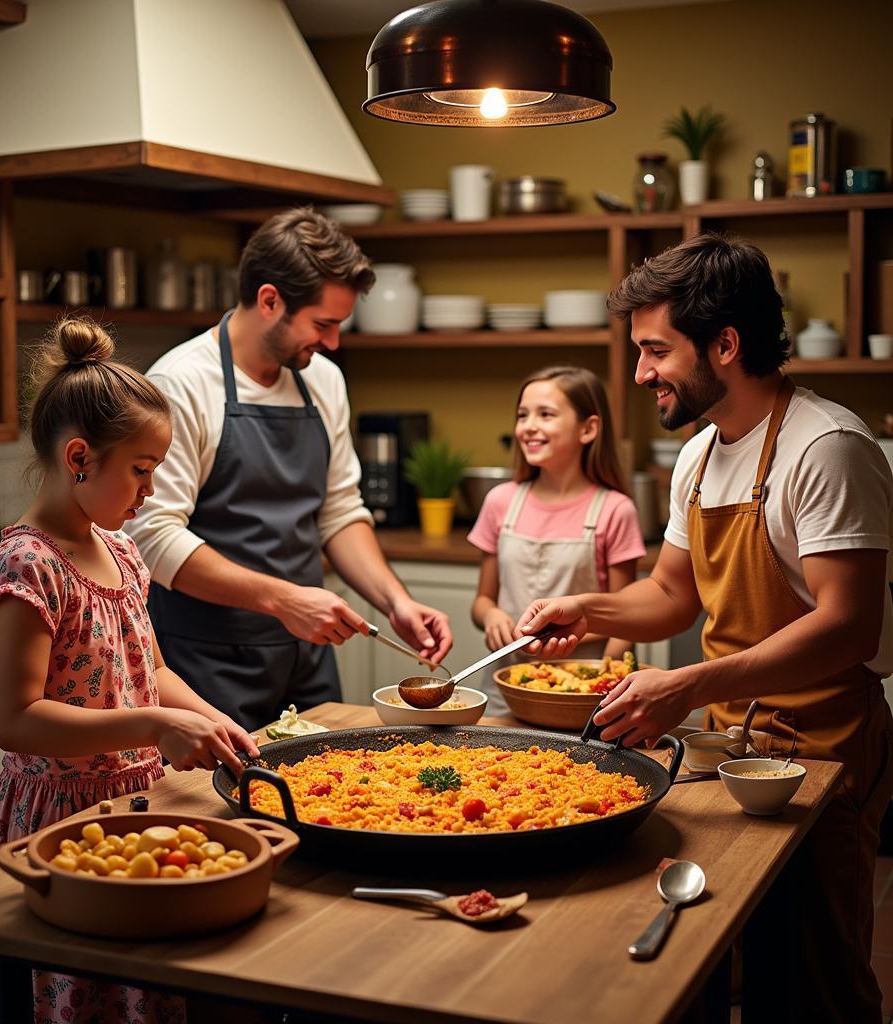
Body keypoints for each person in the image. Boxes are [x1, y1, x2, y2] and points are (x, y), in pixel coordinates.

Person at [516, 233, 893, 1023]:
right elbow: (669, 596)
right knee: (704, 960)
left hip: (823, 754)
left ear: (726, 344)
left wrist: (685, 683)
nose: (642, 371)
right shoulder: (699, 454)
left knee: (814, 984)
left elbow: (849, 627)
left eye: (657, 351)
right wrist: (584, 611)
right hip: (733, 743)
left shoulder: (827, 448)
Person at [0, 317, 259, 1024]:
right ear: (79, 457)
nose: (151, 489)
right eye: (140, 470)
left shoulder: (123, 550)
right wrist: (156, 724)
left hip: (138, 802)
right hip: (61, 818)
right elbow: (15, 722)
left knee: (147, 999)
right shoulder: (27, 566)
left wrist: (210, 717)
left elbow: (149, 670)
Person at [127, 207, 452, 730]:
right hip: (206, 664)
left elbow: (341, 512)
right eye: (323, 324)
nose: (333, 342)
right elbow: (153, 537)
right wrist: (284, 600)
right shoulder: (180, 384)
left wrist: (396, 601)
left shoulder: (322, 380)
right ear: (269, 300)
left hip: (306, 658)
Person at [467, 365, 645, 715]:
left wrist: (606, 686)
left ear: (588, 429)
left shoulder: (615, 510)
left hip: (581, 695)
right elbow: (482, 599)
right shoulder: (500, 501)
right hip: (506, 692)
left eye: (545, 414)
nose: (528, 426)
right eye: (522, 415)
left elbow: (626, 617)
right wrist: (492, 618)